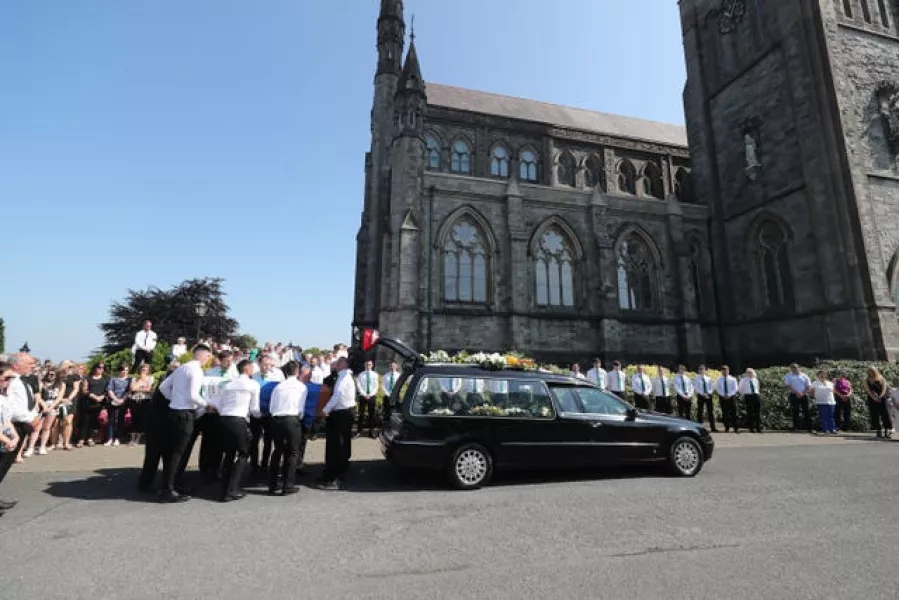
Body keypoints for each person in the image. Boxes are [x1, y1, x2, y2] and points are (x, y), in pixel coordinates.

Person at [157, 344, 212, 503]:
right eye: (208, 356)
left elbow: (163, 387)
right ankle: (168, 489)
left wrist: (173, 399)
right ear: (201, 356)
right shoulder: (196, 370)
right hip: (185, 414)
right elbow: (194, 395)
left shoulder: (181, 368)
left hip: (174, 411)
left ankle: (170, 484)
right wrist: (206, 404)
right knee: (178, 452)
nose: (208, 360)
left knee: (173, 451)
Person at [207, 359, 260, 502]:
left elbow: (216, 402)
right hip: (239, 420)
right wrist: (262, 415)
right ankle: (233, 488)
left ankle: (224, 489)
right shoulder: (253, 384)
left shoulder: (228, 385)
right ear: (247, 369)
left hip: (224, 420)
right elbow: (254, 409)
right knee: (243, 453)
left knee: (229, 454)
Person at [267, 361, 306, 496]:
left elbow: (272, 407)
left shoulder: (278, 387)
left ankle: (272, 484)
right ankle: (287, 485)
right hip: (291, 419)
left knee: (277, 451)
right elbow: (301, 408)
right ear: (297, 371)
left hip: (277, 419)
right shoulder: (301, 387)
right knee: (293, 452)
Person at [318, 356, 356, 490]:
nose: (336, 365)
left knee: (340, 447)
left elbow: (337, 395)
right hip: (342, 413)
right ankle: (331, 474)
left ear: (343, 364)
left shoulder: (344, 377)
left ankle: (338, 478)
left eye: (338, 363)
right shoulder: (343, 376)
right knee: (337, 446)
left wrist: (325, 409)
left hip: (342, 413)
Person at [0, 365, 23, 515]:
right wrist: (6, 440)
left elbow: (5, 421)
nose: (9, 382)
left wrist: (15, 436)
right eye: (6, 378)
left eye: (11, 378)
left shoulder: (3, 398)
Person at [77, 363, 108, 447]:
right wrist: (94, 396)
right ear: (95, 368)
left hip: (99, 404)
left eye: (102, 368)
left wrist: (102, 396)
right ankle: (81, 439)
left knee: (93, 422)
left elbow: (107, 391)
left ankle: (90, 439)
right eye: (99, 367)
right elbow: (84, 390)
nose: (100, 369)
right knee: (84, 421)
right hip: (87, 402)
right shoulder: (88, 378)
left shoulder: (106, 379)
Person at [128, 364, 155, 445]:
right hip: (134, 400)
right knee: (134, 419)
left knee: (142, 418)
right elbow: (132, 389)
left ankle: (138, 438)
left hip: (145, 400)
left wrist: (138, 387)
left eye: (146, 370)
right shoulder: (135, 378)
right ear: (140, 370)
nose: (144, 371)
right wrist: (141, 383)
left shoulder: (150, 378)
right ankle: (132, 438)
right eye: (143, 369)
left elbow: (148, 389)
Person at [105, 364, 131, 447]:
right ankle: (109, 438)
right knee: (111, 420)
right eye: (123, 370)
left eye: (126, 370)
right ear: (119, 371)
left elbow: (129, 391)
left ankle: (117, 438)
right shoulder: (113, 379)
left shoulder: (129, 380)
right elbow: (109, 390)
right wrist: (115, 399)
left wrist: (122, 400)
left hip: (123, 402)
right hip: (113, 401)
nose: (124, 372)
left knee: (120, 420)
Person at [864, 367, 891, 438]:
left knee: (885, 414)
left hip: (881, 398)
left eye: (872, 371)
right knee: (874, 415)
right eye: (869, 371)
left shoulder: (881, 378)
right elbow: (868, 390)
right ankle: (878, 430)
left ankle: (887, 430)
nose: (870, 373)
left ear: (875, 371)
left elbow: (884, 388)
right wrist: (873, 397)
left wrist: (880, 396)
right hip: (872, 398)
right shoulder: (866, 379)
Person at [784, 364, 812, 433]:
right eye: (792, 368)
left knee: (806, 411)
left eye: (795, 367)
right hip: (793, 395)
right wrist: (797, 393)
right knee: (795, 411)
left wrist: (802, 393)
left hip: (804, 395)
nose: (794, 369)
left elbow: (808, 386)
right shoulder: (788, 376)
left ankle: (809, 428)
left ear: (799, 368)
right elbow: (788, 386)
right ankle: (796, 427)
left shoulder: (804, 376)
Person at [355, 360, 379, 439]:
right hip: (363, 396)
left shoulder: (375, 374)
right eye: (366, 364)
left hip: (372, 396)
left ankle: (371, 432)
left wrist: (370, 394)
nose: (368, 366)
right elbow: (358, 385)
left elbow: (376, 386)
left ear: (372, 365)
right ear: (364, 365)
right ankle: (359, 431)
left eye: (369, 364)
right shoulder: (361, 375)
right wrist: (364, 394)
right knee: (361, 414)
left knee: (371, 414)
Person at [810, 370, 837, 434]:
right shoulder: (814, 383)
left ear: (826, 375)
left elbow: (833, 392)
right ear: (818, 375)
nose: (822, 375)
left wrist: (834, 384)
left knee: (831, 416)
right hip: (821, 402)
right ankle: (825, 429)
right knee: (824, 416)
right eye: (821, 374)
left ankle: (832, 429)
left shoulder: (830, 383)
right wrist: (812, 395)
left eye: (824, 374)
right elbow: (811, 391)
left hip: (831, 401)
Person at [716, 365, 739, 433]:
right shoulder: (718, 379)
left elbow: (735, 389)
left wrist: (728, 395)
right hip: (722, 397)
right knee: (725, 413)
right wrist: (723, 395)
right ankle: (727, 427)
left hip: (731, 397)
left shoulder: (733, 379)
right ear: (721, 371)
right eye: (723, 370)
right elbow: (718, 388)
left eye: (726, 370)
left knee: (734, 412)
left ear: (728, 371)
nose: (725, 371)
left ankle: (735, 428)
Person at [739, 368, 762, 433]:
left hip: (756, 396)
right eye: (748, 372)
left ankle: (758, 427)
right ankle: (751, 428)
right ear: (746, 373)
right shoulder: (743, 380)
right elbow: (740, 389)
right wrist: (744, 394)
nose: (750, 373)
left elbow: (758, 388)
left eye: (751, 372)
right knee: (750, 413)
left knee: (757, 412)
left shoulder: (756, 380)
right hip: (748, 396)